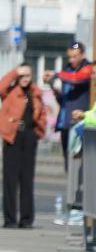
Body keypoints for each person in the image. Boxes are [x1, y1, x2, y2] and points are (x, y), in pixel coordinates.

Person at [0, 64, 47, 228]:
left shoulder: (35, 93)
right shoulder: (10, 92)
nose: (25, 78)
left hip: (29, 136)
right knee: (10, 179)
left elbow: (42, 113)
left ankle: (27, 219)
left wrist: (39, 131)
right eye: (22, 75)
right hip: (12, 136)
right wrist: (15, 72)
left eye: (28, 75)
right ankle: (10, 219)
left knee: (27, 179)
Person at [44, 41, 92, 173]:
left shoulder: (89, 68)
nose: (71, 60)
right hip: (65, 122)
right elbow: (63, 97)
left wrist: (56, 74)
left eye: (74, 56)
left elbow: (77, 78)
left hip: (80, 122)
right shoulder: (67, 69)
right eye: (69, 57)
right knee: (68, 163)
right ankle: (71, 192)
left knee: (81, 163)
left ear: (83, 54)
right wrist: (53, 86)